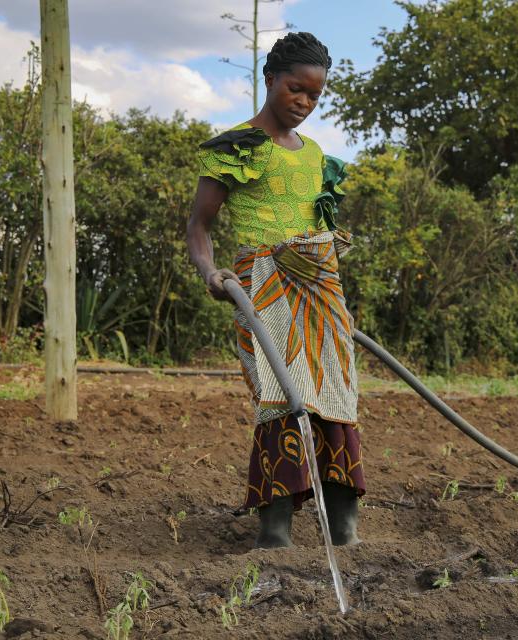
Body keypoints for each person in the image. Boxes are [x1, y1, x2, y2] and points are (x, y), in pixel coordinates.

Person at [186, 32, 364, 548]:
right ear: (269, 80)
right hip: (261, 286)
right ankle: (276, 530)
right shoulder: (237, 147)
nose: (304, 103)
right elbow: (199, 226)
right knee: (281, 396)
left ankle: (343, 523)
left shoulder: (315, 156)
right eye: (295, 90)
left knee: (337, 391)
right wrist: (210, 272)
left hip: (319, 282)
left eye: (315, 95)